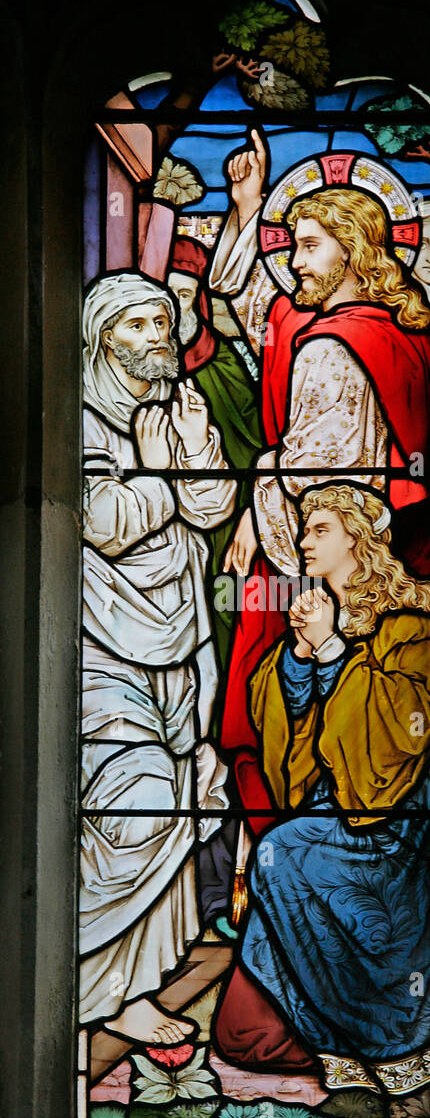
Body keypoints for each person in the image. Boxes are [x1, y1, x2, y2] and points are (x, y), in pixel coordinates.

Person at [209, 131, 430, 826]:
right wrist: (247, 206)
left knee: (293, 708)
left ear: (353, 252)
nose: (294, 259)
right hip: (345, 546)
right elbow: (264, 319)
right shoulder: (353, 328)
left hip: (327, 559)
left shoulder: (338, 348)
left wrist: (259, 500)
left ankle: (299, 842)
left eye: (308, 246)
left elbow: (324, 483)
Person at [214, 484, 430, 1114]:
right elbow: (289, 743)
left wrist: (335, 652)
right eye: (305, 530)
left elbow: (400, 735)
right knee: (241, 1027)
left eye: (318, 530)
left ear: (356, 541)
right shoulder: (312, 612)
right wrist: (301, 660)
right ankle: (345, 1063)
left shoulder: (410, 625)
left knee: (283, 852)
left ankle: (393, 1056)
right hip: (331, 808)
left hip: (390, 823)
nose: (304, 541)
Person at [80, 273, 236, 1045]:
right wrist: (156, 468)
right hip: (100, 641)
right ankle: (78, 976)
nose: (158, 338)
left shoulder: (175, 406)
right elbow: (104, 521)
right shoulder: (78, 417)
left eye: (164, 324)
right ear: (107, 335)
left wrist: (186, 450)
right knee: (128, 806)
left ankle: (131, 990)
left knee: (174, 801)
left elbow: (210, 507)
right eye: (141, 325)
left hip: (178, 632)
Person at [167, 237, 262, 674]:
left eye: (183, 295)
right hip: (155, 534)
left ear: (198, 300)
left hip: (223, 530)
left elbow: (253, 443)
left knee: (223, 615)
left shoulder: (222, 362)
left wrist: (251, 513)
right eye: (163, 293)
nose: (173, 306)